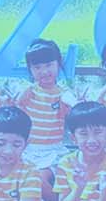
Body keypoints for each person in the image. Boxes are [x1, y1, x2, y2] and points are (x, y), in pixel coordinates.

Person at [15, 38, 78, 172]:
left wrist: (75, 105)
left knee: (45, 177)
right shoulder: (28, 92)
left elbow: (72, 107)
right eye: (37, 67)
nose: (44, 71)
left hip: (54, 150)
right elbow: (16, 114)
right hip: (29, 149)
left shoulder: (62, 93)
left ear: (58, 64)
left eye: (49, 65)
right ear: (30, 70)